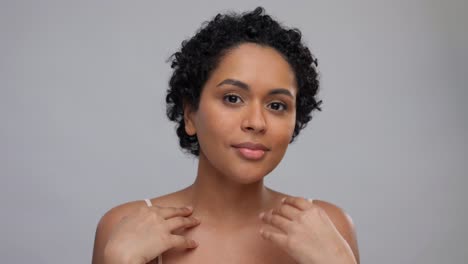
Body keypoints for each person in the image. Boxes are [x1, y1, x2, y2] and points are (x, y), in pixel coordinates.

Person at [92, 7, 360, 264]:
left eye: (276, 105)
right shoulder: (123, 228)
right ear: (190, 114)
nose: (256, 122)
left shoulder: (329, 228)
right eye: (232, 98)